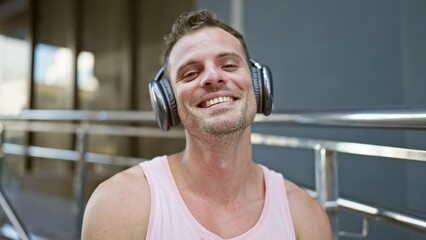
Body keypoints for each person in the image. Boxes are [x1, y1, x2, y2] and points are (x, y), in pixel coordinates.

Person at [82, 9, 332, 240]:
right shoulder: (118, 206)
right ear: (168, 102)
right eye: (190, 73)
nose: (213, 77)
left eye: (229, 65)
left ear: (258, 85)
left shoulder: (303, 215)